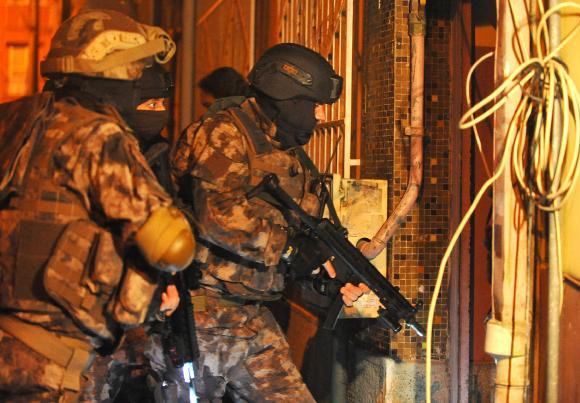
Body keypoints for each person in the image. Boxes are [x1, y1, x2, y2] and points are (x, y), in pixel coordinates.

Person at [0, 9, 195, 402]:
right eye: (136, 70)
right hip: (47, 360)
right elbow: (172, 244)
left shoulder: (16, 120)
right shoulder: (98, 134)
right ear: (116, 71)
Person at [170, 43, 368, 402]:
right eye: (315, 105)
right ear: (286, 96)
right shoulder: (223, 134)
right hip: (204, 315)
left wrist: (328, 275)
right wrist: (290, 248)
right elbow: (217, 213)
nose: (320, 116)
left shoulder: (286, 154)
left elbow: (299, 235)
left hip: (253, 318)